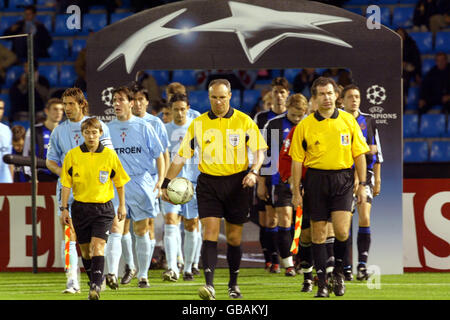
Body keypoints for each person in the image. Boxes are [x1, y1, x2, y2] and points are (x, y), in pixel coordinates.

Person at [162, 78, 268, 300]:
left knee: (234, 239)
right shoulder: (198, 124)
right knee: (209, 233)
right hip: (209, 183)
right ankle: (208, 286)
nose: (218, 102)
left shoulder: (244, 121)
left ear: (229, 96)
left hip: (238, 184)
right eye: (214, 97)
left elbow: (259, 150)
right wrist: (165, 184)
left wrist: (254, 171)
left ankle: (233, 284)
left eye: (222, 97)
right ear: (208, 97)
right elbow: (181, 156)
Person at [290, 77, 370, 298]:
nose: (327, 98)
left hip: (343, 179)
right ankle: (322, 283)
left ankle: (339, 275)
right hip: (316, 180)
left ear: (337, 95)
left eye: (330, 93)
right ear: (315, 98)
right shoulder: (305, 125)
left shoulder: (348, 120)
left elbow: (360, 154)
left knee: (342, 230)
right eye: (321, 94)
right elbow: (297, 161)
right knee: (318, 234)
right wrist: (296, 191)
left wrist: (362, 184)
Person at [46, 87, 113, 294]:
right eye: (64, 104)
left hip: (95, 193)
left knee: (92, 243)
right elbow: (51, 161)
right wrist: (67, 175)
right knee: (69, 235)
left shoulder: (97, 126)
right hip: (68, 191)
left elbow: (109, 158)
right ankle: (72, 281)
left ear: (82, 104)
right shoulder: (59, 130)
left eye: (70, 104)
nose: (66, 108)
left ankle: (96, 276)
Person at [60, 117, 130, 300]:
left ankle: (95, 288)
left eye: (94, 132)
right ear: (82, 134)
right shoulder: (72, 155)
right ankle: (96, 282)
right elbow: (66, 185)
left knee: (98, 246)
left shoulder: (109, 155)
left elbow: (120, 183)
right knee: (85, 251)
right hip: (80, 209)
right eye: (87, 132)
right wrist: (64, 208)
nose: (91, 136)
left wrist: (122, 205)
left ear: (100, 133)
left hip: (103, 209)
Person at [106, 86, 165, 289]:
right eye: (114, 100)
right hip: (117, 185)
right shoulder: (108, 128)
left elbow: (159, 155)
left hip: (141, 183)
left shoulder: (144, 126)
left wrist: (160, 181)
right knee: (116, 227)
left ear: (131, 103)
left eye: (121, 100)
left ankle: (143, 275)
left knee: (141, 230)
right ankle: (112, 273)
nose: (116, 104)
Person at [259, 93, 308, 277]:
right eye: (294, 115)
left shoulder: (309, 124)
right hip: (281, 180)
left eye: (300, 115)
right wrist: (262, 182)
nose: (297, 119)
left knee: (303, 222)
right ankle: (287, 262)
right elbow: (266, 155)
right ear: (288, 108)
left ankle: (300, 258)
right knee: (284, 218)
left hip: (307, 182)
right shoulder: (274, 125)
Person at [341, 84, 383, 281]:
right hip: (343, 175)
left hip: (365, 174)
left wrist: (378, 179)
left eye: (357, 96)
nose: (354, 100)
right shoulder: (339, 120)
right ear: (342, 100)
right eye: (350, 97)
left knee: (364, 217)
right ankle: (346, 266)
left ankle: (362, 265)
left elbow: (376, 152)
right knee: (345, 223)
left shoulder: (369, 120)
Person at [162, 93, 202, 282]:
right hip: (171, 184)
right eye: (175, 109)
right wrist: (162, 183)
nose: (179, 113)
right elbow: (161, 158)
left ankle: (187, 268)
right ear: (170, 110)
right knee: (170, 221)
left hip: (192, 184)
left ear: (188, 109)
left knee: (191, 224)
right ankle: (172, 268)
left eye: (182, 109)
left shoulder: (197, 130)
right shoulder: (164, 130)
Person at [253, 77, 289, 273]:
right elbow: (256, 149)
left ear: (288, 95)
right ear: (271, 94)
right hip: (267, 173)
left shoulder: (295, 117)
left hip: (289, 176)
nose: (279, 96)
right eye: (276, 92)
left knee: (285, 219)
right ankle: (272, 258)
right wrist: (259, 177)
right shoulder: (261, 119)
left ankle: (287, 259)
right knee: (269, 219)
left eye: (283, 92)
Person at [23, 98, 64, 182]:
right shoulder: (34, 130)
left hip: (62, 178)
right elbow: (26, 156)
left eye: (61, 109)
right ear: (46, 111)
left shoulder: (66, 132)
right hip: (41, 177)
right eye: (55, 109)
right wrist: (32, 177)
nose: (59, 112)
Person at [396, 28, 422, 109]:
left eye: (402, 34)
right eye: (398, 34)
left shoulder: (411, 45)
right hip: (395, 69)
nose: (400, 36)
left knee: (403, 80)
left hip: (408, 70)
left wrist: (406, 64)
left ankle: (403, 102)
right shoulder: (392, 45)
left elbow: (416, 60)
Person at [0, 105, 13, 182]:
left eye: (1, 108)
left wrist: (11, 181)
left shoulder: (6, 130)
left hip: (5, 180)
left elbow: (10, 160)